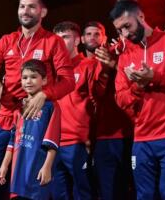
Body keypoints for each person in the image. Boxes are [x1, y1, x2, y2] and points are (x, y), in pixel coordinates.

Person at [0, 0, 75, 199]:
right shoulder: (6, 41)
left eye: (31, 6)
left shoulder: (53, 41)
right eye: (22, 6)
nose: (25, 11)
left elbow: (68, 81)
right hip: (8, 115)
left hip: (35, 119)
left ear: (43, 12)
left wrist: (44, 94)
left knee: (31, 180)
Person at [110, 0, 165, 200]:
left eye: (127, 26)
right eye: (119, 30)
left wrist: (155, 78)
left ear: (140, 16)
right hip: (142, 138)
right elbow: (121, 99)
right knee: (144, 195)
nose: (124, 33)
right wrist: (138, 88)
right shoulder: (125, 57)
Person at [50, 21, 102, 199]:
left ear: (78, 40)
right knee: (59, 195)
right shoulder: (51, 73)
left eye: (65, 37)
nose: (60, 42)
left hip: (78, 143)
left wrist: (91, 139)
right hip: (53, 144)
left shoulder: (89, 65)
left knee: (84, 194)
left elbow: (98, 104)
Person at [83, 21, 134, 200]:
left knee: (132, 187)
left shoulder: (120, 54)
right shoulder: (82, 65)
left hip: (128, 132)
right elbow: (93, 97)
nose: (93, 37)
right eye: (89, 34)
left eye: (97, 34)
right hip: (101, 136)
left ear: (104, 38)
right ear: (82, 39)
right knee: (106, 191)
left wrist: (114, 63)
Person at [0, 59, 60, 200]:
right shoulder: (18, 108)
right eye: (25, 78)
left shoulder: (51, 107)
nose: (28, 81)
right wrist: (4, 166)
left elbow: (52, 141)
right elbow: (12, 141)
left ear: (44, 80)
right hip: (18, 170)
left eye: (33, 77)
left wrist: (47, 166)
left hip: (37, 167)